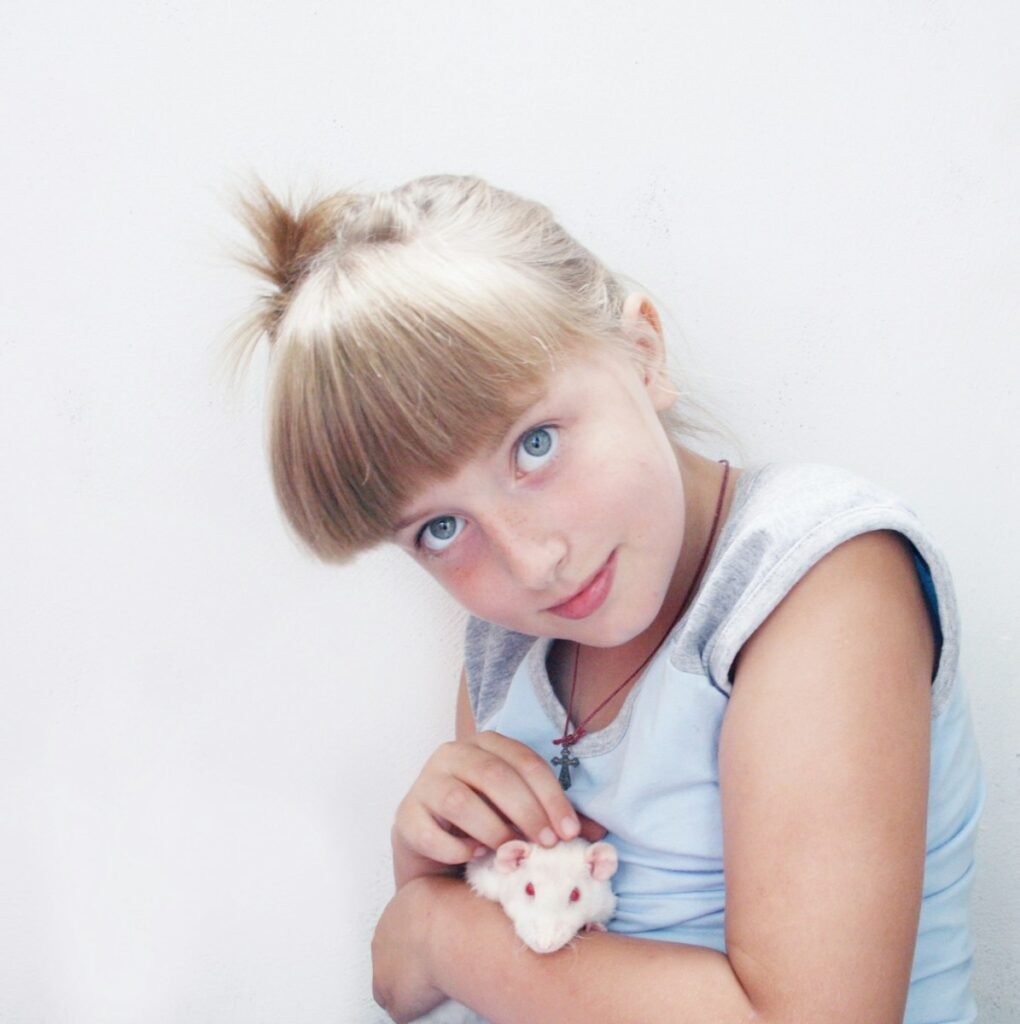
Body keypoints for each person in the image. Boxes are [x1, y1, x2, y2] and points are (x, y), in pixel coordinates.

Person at [229, 175, 983, 1023]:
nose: (532, 562)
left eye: (534, 445)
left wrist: (438, 928)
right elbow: (406, 985)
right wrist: (426, 868)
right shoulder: (508, 645)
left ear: (643, 353)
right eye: (441, 528)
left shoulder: (815, 583)